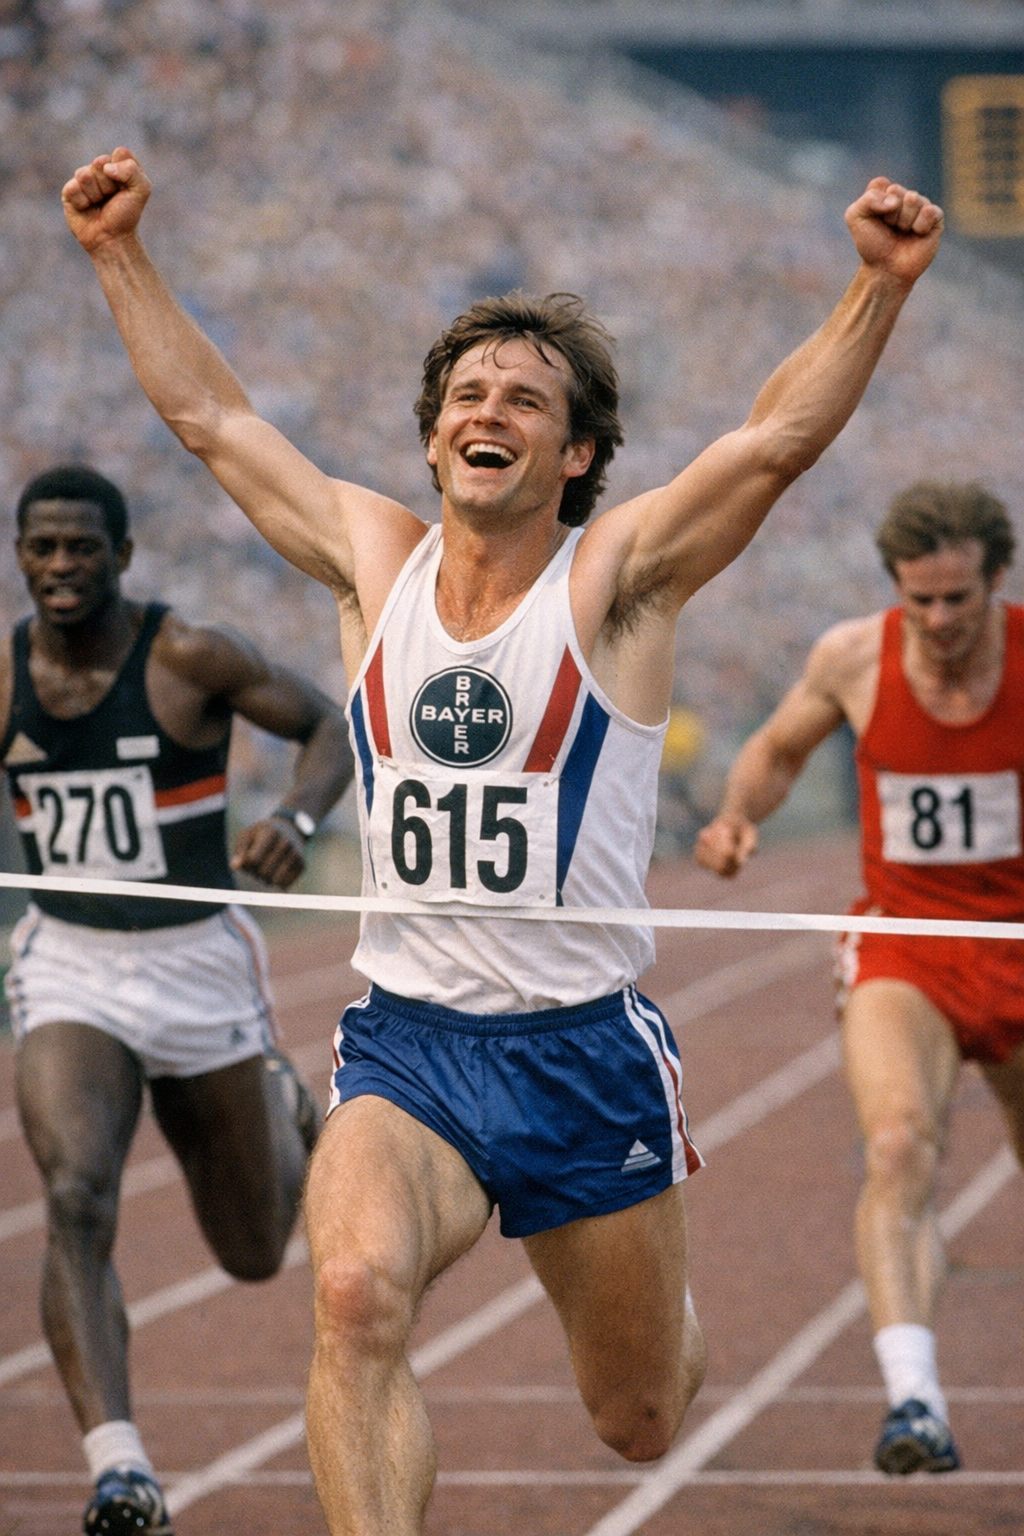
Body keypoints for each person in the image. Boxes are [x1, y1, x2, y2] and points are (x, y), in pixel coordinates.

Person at [60, 145, 942, 1535]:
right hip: (408, 1043)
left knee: (638, 1418)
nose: (490, 411)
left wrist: (875, 287)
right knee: (352, 1293)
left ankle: (660, 1306)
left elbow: (771, 444)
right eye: (468, 395)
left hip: (580, 1053)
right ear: (432, 439)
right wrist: (118, 252)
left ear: (574, 455)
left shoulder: (617, 584)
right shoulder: (373, 559)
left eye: (527, 400)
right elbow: (213, 421)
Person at [2, 463, 354, 1536]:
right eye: (41, 547)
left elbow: (330, 727)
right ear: (19, 557)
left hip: (198, 963)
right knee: (76, 1193)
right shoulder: (5, 677)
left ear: (122, 555)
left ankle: (280, 1097)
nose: (61, 565)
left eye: (81, 546)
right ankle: (121, 1470)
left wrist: (294, 820)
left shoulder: (187, 655)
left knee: (254, 1251)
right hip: (69, 963)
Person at [696, 479, 1024, 1476]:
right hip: (905, 943)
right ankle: (913, 1398)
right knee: (896, 1144)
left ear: (996, 582)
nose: (939, 620)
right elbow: (776, 748)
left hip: (1017, 938)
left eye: (958, 599)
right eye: (919, 600)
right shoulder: (853, 657)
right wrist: (737, 816)